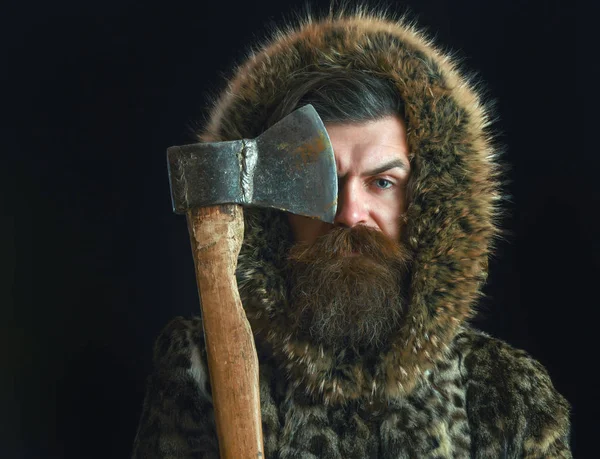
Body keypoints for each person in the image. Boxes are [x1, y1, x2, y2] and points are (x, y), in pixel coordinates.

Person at [132, 10, 572, 458]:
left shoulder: (506, 394)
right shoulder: (199, 371)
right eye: (320, 181)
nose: (348, 213)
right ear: (269, 209)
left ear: (428, 205)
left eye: (382, 183)